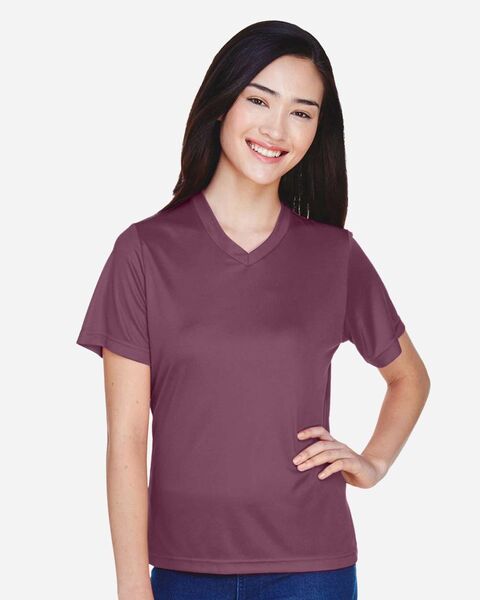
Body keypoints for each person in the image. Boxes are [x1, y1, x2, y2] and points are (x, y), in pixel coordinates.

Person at [76, 20, 430, 600]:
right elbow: (127, 439)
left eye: (301, 112)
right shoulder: (143, 252)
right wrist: (132, 586)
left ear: (317, 131)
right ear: (222, 103)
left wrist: (373, 463)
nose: (276, 129)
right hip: (183, 571)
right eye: (260, 100)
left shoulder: (335, 256)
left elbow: (409, 378)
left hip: (312, 570)